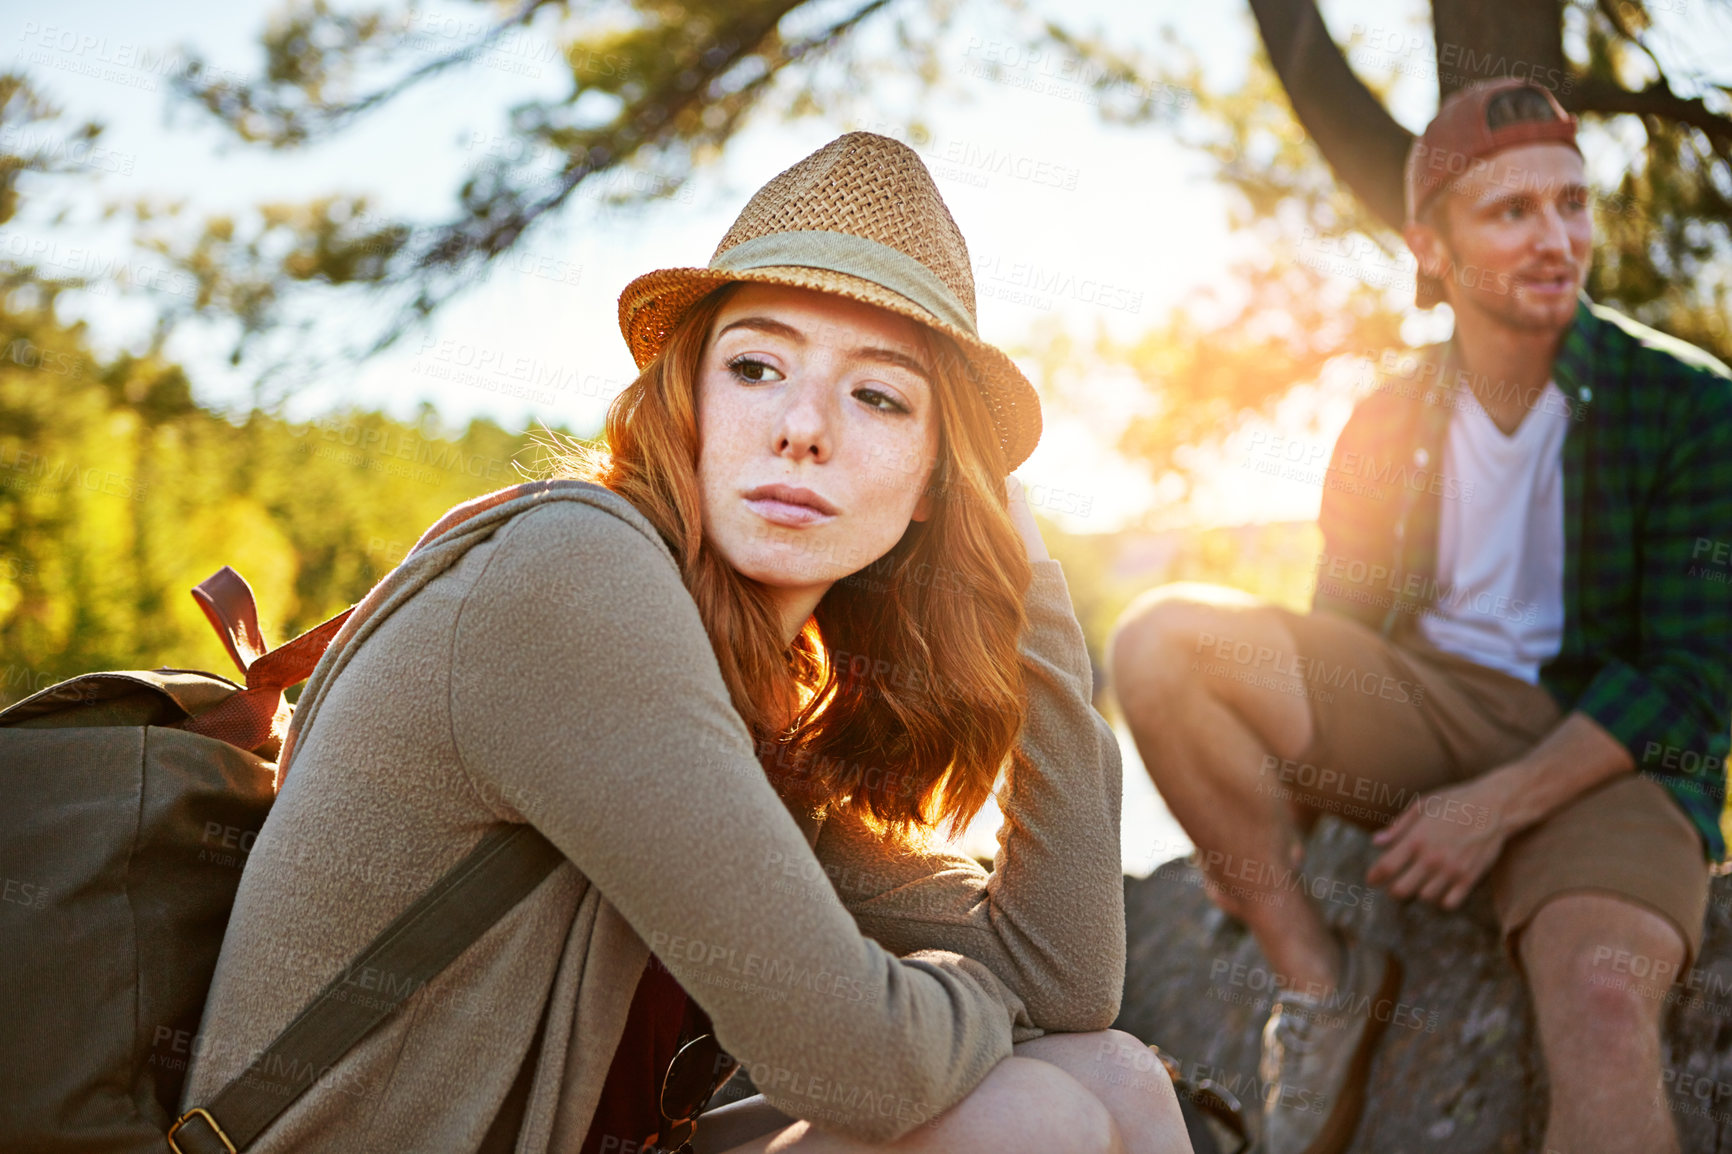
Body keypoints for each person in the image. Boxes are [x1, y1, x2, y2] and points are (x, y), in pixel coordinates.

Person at [182, 132, 1188, 1154]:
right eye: (755, 366)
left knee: (1109, 1070)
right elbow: (859, 1061)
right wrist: (955, 993)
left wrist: (1034, 596)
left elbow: (1065, 979)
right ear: (687, 401)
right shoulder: (571, 573)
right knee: (1038, 1113)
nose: (802, 425)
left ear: (937, 479)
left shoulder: (746, 697)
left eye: (877, 394)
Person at [1110, 79, 1732, 1154]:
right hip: (1423, 712)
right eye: (1512, 212)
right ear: (1429, 248)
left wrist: (1493, 806)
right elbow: (1335, 631)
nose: (1558, 239)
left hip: (1608, 754)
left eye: (1572, 204)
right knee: (1158, 642)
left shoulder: (1688, 402)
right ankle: (1322, 983)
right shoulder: (1384, 417)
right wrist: (1259, 822)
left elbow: (1692, 677)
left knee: (1599, 1002)